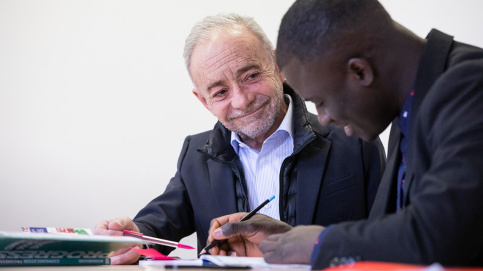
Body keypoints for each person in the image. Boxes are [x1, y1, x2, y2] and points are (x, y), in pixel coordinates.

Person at [205, 0, 483, 269]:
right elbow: (402, 236)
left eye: (321, 102)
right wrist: (291, 240)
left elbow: (445, 232)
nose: (324, 118)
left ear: (359, 71)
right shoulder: (409, 108)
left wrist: (320, 243)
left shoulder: (471, 86)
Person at [94, 13, 385, 264]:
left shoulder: (355, 140)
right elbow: (155, 227)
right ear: (203, 101)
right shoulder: (195, 154)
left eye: (251, 76)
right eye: (220, 92)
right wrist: (132, 236)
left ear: (277, 66)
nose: (242, 100)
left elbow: (391, 240)